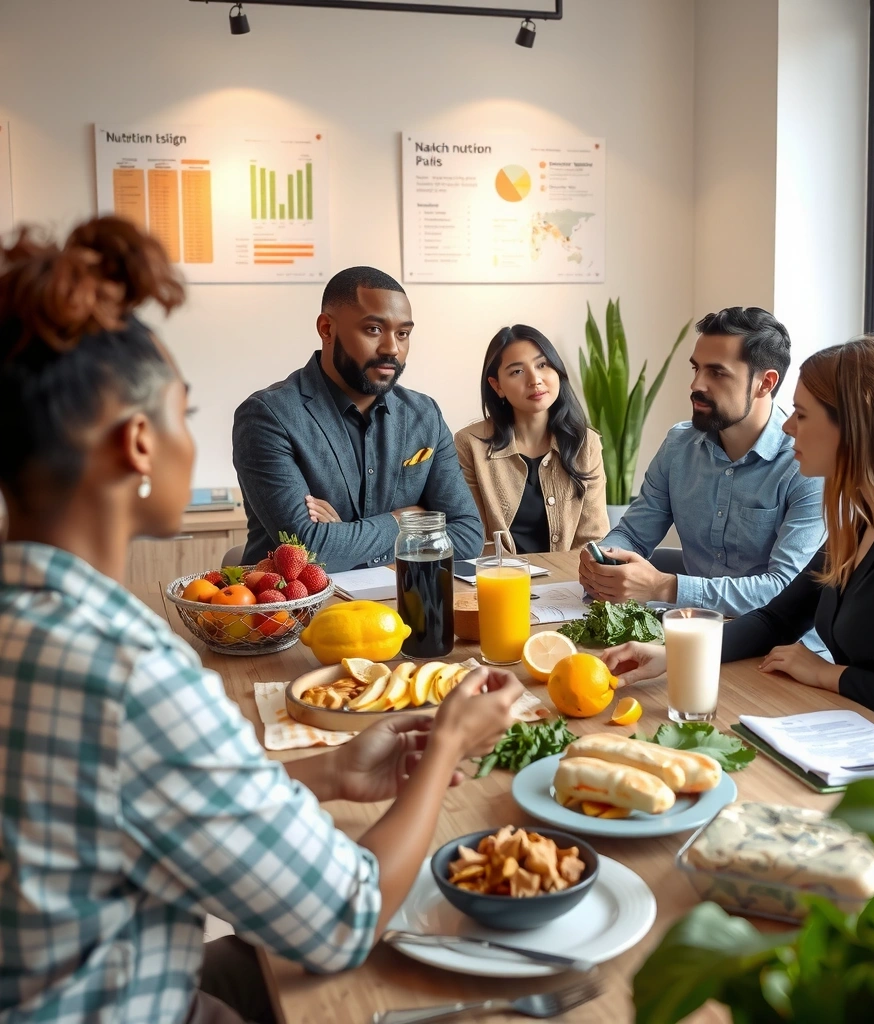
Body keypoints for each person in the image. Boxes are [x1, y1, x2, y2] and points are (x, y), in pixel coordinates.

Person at [0, 218, 523, 1024]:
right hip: (131, 1002)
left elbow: (134, 800)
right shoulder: (134, 671)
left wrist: (325, 774)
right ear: (140, 443)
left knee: (252, 953)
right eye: (184, 413)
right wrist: (448, 741)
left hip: (85, 967)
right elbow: (343, 919)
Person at [601, 336, 874, 752]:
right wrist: (674, 655)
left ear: (855, 428)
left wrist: (832, 676)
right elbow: (777, 620)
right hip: (867, 736)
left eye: (801, 415)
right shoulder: (860, 523)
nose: (786, 426)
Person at [233, 267, 484, 572]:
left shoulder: (424, 414)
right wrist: (404, 521)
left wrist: (345, 537)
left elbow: (468, 535)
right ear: (327, 329)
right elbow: (311, 549)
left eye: (402, 334)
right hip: (294, 611)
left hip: (403, 600)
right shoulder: (268, 415)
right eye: (373, 330)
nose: (392, 348)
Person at [579, 307, 824, 616]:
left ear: (766, 382)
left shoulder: (807, 467)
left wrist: (665, 587)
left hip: (774, 649)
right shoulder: (678, 446)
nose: (696, 385)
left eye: (717, 372)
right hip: (690, 629)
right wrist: (603, 559)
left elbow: (783, 590)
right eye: (696, 369)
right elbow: (632, 534)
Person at [454, 324, 609, 553]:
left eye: (542, 365)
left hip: (570, 582)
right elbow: (475, 538)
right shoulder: (470, 444)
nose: (534, 379)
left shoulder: (586, 443)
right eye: (517, 371)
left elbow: (593, 540)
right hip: (499, 580)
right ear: (497, 386)